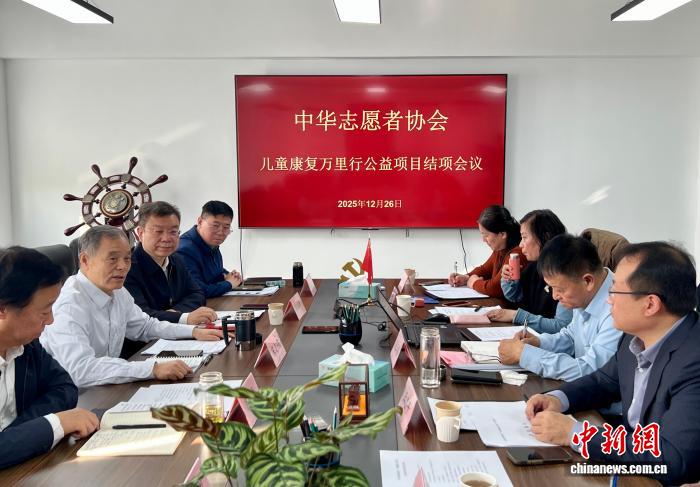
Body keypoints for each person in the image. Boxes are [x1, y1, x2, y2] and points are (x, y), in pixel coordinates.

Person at [525, 242, 700, 486]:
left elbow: (673, 457)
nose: (608, 301)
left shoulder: (693, 361)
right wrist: (558, 399)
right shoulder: (634, 337)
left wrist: (577, 434)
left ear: (650, 304)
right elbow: (604, 381)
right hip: (629, 464)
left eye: (615, 291)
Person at [40, 226, 224, 388]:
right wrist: (153, 369)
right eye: (113, 259)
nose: (122, 266)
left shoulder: (118, 292)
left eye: (127, 259)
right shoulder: (68, 305)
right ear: (85, 260)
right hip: (75, 398)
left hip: (107, 386)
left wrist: (193, 332)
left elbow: (145, 326)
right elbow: (81, 370)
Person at [0, 247, 98, 468]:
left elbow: (65, 388)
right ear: (2, 309)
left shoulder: (27, 345)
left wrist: (19, 434)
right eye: (44, 312)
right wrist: (53, 424)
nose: (51, 320)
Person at [498, 235, 622, 381]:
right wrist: (539, 342)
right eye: (551, 288)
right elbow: (571, 337)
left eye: (560, 289)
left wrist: (523, 354)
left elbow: (590, 370)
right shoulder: (586, 291)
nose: (555, 296)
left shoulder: (618, 309)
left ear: (588, 281)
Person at [124, 201, 217, 325]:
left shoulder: (176, 259)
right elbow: (141, 316)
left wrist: (174, 312)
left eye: (173, 232)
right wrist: (183, 317)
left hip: (174, 332)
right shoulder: (127, 268)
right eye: (158, 231)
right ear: (140, 233)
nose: (166, 239)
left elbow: (197, 294)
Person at [488, 209, 573, 333]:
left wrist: (515, 316)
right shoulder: (535, 266)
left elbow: (561, 326)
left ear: (545, 237)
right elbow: (515, 297)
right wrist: (508, 280)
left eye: (524, 237)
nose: (520, 244)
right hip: (530, 333)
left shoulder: (567, 271)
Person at [448, 205, 526, 298]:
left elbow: (496, 288)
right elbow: (485, 270)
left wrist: (474, 283)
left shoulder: (517, 254)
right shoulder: (501, 248)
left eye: (486, 235)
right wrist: (466, 277)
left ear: (502, 234)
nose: (483, 240)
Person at [177, 201, 242, 298]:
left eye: (226, 227)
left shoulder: (210, 243)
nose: (220, 232)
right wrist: (229, 283)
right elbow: (197, 290)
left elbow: (215, 272)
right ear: (200, 222)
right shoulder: (184, 250)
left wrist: (230, 275)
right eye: (215, 226)